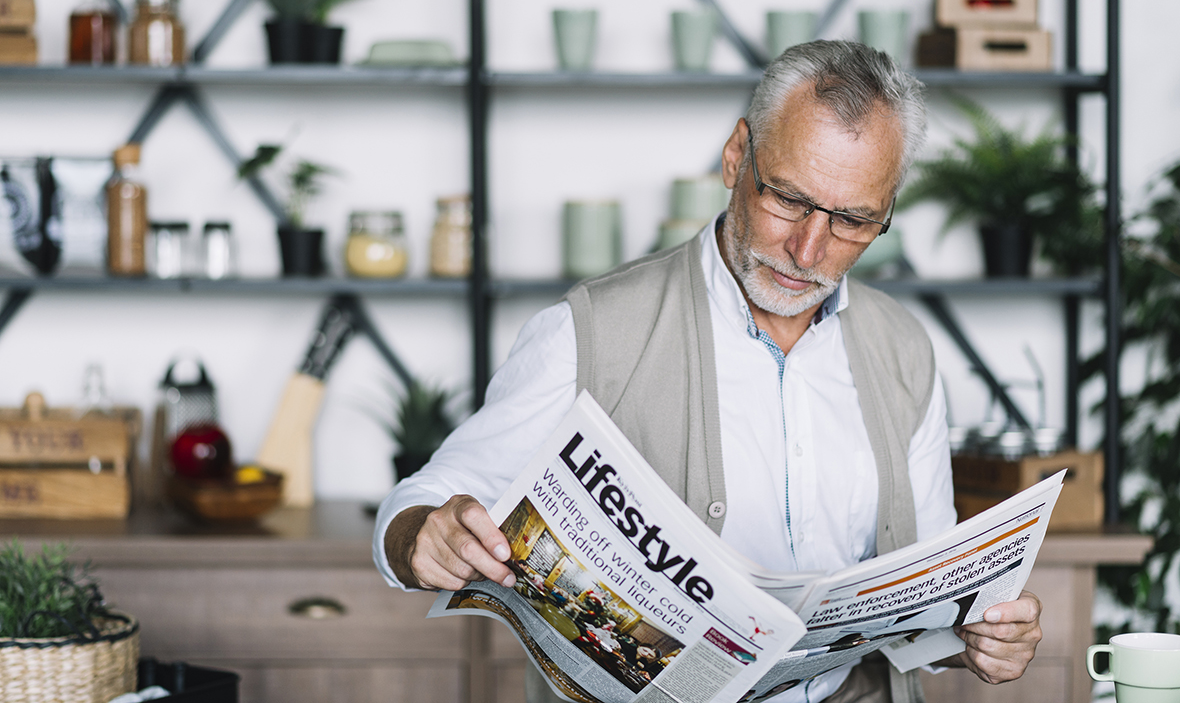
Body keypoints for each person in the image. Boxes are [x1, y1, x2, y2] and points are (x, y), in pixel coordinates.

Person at [373, 40, 1043, 702]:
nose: (808, 247)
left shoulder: (905, 349)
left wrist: (977, 638)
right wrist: (424, 536)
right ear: (735, 156)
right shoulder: (591, 331)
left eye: (853, 221)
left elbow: (928, 595)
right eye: (787, 198)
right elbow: (417, 505)